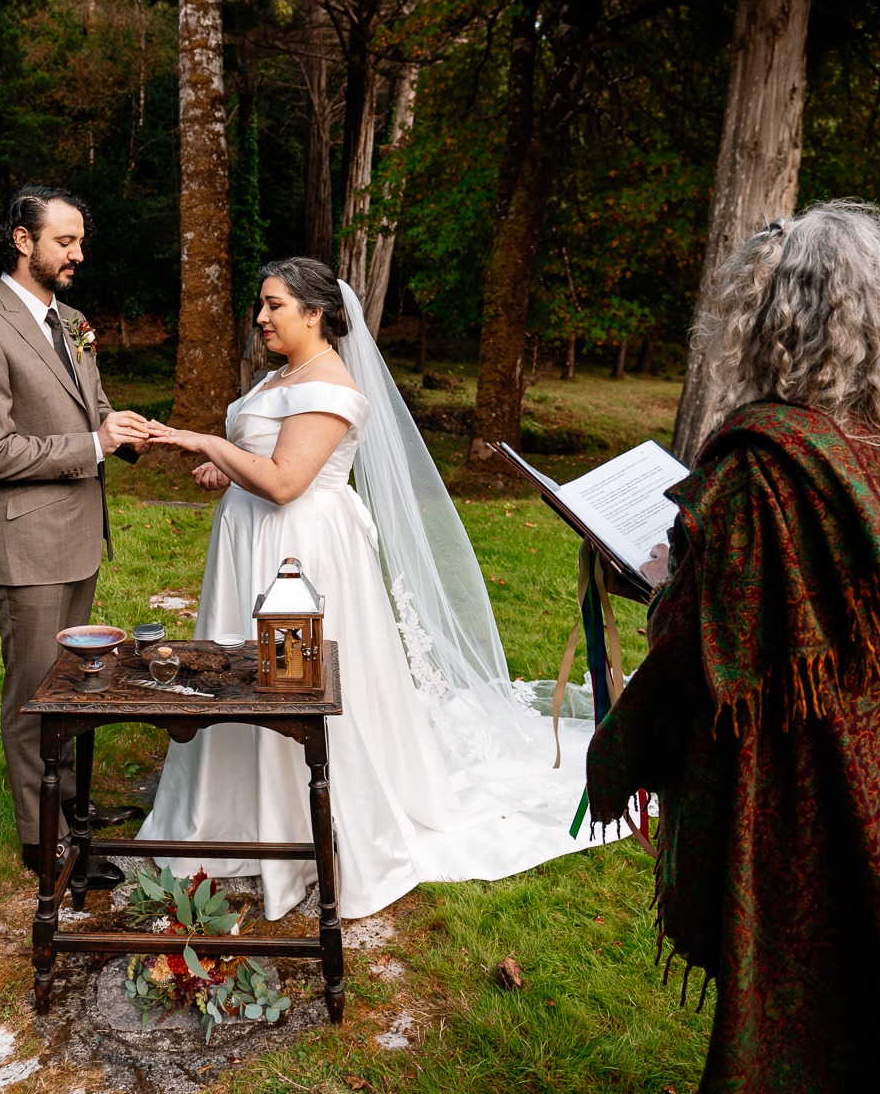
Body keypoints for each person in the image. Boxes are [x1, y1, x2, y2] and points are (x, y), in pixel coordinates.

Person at [588, 201, 880, 1092]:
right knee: (839, 965)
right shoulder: (874, 449)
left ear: (769, 320)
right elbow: (807, 610)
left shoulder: (756, 463)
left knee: (779, 984)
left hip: (779, 775)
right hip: (864, 751)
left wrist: (616, 751)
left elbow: (704, 656)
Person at [138, 257, 611, 921]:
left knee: (292, 679)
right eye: (261, 305)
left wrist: (205, 443)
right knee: (243, 673)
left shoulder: (331, 383)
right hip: (249, 542)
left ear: (315, 312)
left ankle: (301, 820)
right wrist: (226, 471)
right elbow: (265, 460)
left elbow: (284, 483)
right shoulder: (283, 375)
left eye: (275, 305)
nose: (261, 317)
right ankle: (232, 807)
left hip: (297, 551)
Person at [0, 185, 155, 889]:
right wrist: (93, 443)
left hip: (79, 539)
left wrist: (124, 433)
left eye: (80, 242)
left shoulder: (74, 322)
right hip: (28, 546)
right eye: (65, 241)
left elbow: (90, 410)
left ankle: (71, 809)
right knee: (35, 693)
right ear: (22, 240)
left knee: (75, 690)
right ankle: (45, 846)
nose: (78, 254)